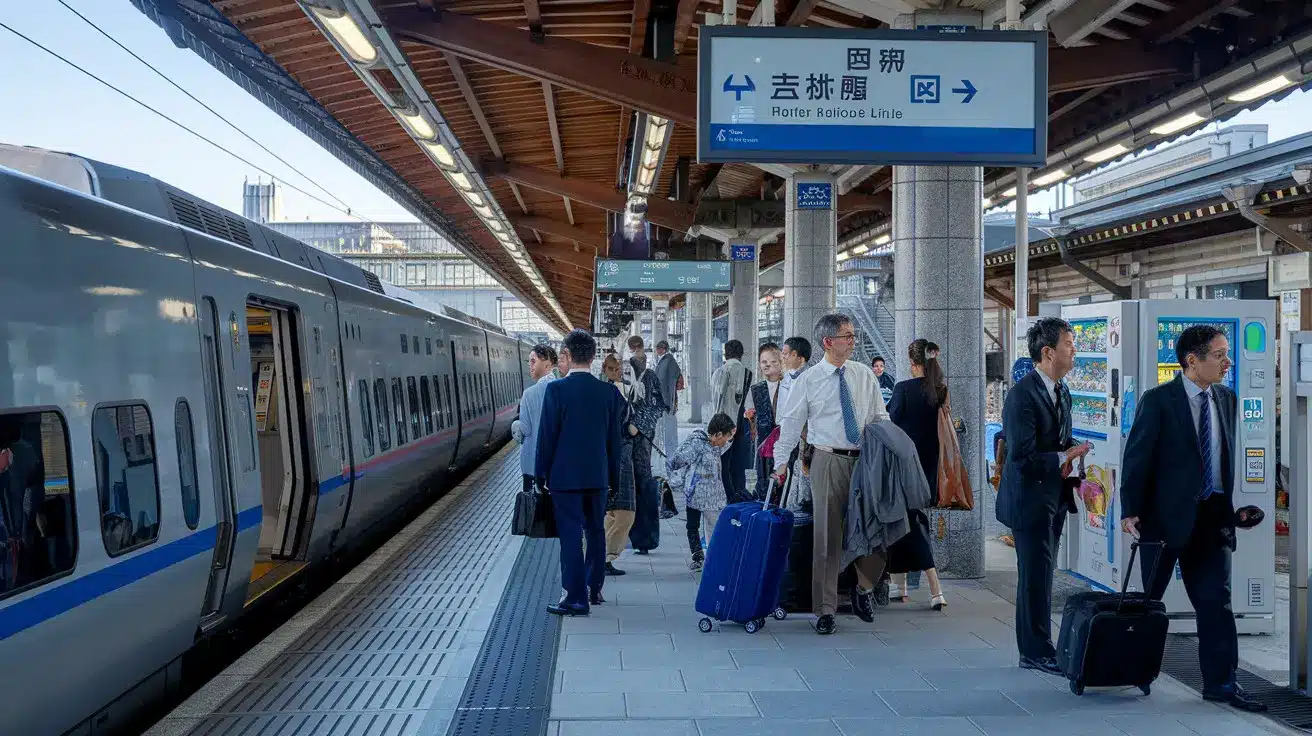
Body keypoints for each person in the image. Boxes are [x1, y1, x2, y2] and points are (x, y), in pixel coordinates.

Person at [1120, 325, 1265, 712]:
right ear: (1191, 361)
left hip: (1212, 518)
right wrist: (1130, 509)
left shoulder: (1227, 399)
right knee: (1150, 602)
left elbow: (1223, 458)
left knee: (1216, 604)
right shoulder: (1158, 401)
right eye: (1219, 355)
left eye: (1226, 353)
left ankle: (1221, 684)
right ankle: (1128, 669)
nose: (1227, 362)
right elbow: (1137, 457)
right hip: (1163, 521)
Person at [773, 313, 890, 635]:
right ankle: (825, 609)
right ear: (828, 342)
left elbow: (880, 416)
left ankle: (864, 586)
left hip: (865, 460)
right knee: (827, 536)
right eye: (847, 336)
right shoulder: (808, 381)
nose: (854, 341)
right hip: (827, 459)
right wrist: (780, 463)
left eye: (853, 335)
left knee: (877, 526)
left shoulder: (864, 374)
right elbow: (791, 425)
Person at [996, 318, 1090, 674]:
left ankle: (1041, 646)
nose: (1074, 350)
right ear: (1048, 352)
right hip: (1029, 501)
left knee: (1044, 573)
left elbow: (1058, 442)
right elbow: (1021, 455)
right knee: (1034, 576)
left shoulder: (1061, 390)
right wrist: (1064, 456)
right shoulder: (1022, 395)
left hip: (1054, 496)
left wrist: (1072, 455)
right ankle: (1034, 650)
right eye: (1069, 343)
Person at [536, 329, 625, 616]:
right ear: (592, 356)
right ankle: (594, 589)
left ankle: (575, 598)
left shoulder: (556, 390)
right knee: (596, 531)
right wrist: (613, 477)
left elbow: (547, 436)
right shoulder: (608, 392)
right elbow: (615, 440)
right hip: (598, 476)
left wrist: (541, 474)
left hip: (565, 478)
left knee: (571, 535)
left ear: (568, 355)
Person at [886, 339, 948, 611]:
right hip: (931, 470)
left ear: (913, 363)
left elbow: (891, 423)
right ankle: (897, 586)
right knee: (904, 521)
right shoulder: (941, 390)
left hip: (904, 468)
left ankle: (935, 588)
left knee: (911, 522)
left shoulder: (903, 389)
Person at [667, 412, 737, 571]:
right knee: (692, 525)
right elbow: (676, 460)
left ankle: (714, 558)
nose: (726, 440)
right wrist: (677, 478)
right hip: (695, 493)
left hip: (714, 495)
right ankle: (697, 556)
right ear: (718, 434)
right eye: (725, 436)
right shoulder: (696, 443)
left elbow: (728, 442)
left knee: (714, 526)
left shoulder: (717, 444)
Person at [624, 337, 667, 554]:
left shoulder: (649, 376)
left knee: (641, 485)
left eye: (638, 350)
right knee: (628, 486)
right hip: (624, 440)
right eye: (633, 350)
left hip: (641, 442)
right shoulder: (620, 373)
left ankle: (643, 538)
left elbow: (659, 405)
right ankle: (622, 537)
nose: (636, 354)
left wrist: (638, 425)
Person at [600, 355, 638, 576]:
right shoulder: (611, 393)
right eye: (612, 369)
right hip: (618, 459)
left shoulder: (623, 391)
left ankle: (604, 556)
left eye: (619, 369)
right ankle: (604, 555)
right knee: (623, 514)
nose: (616, 372)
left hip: (617, 458)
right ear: (604, 369)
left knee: (613, 514)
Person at [710, 339, 753, 503]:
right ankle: (739, 498)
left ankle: (725, 498)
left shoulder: (718, 372)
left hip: (721, 424)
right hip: (742, 424)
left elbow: (715, 402)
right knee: (739, 464)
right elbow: (750, 404)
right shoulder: (748, 373)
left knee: (723, 464)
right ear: (741, 355)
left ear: (725, 354)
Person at [511, 344, 557, 495]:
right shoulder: (562, 389)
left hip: (532, 464)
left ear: (547, 364)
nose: (529, 366)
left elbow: (525, 429)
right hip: (557, 464)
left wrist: (516, 424)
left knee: (534, 512)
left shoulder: (529, 394)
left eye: (533, 361)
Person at [745, 343, 785, 500]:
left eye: (773, 362)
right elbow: (750, 414)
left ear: (781, 362)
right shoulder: (756, 389)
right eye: (764, 362)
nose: (768, 365)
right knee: (764, 481)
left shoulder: (789, 385)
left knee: (782, 482)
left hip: (785, 443)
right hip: (764, 444)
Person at [652, 340, 682, 465]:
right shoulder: (664, 361)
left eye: (658, 348)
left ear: (663, 349)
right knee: (666, 430)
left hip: (666, 402)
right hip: (664, 401)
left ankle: (671, 456)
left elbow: (670, 384)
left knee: (669, 430)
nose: (657, 351)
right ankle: (669, 455)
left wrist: (670, 402)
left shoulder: (668, 362)